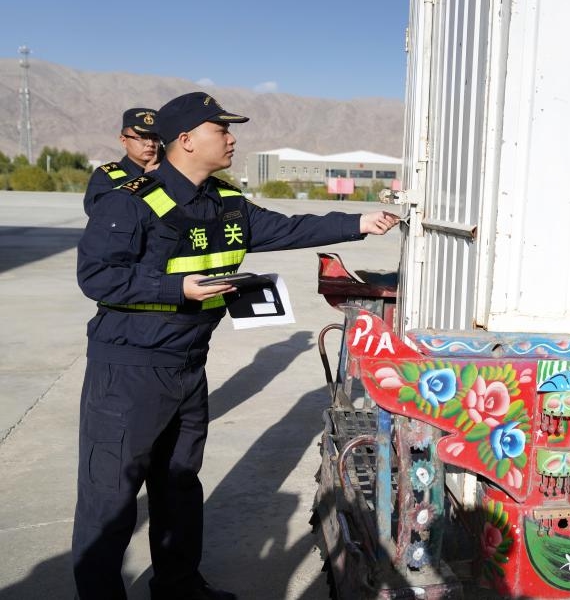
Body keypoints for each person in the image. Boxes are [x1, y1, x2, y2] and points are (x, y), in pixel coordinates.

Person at [73, 92, 400, 600]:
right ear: (185, 140)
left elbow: (289, 228)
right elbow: (98, 277)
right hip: (129, 368)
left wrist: (359, 223)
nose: (231, 138)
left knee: (179, 484)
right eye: (219, 130)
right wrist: (176, 289)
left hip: (187, 365)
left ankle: (179, 587)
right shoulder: (129, 199)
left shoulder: (225, 204)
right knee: (110, 496)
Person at [83, 107, 163, 214]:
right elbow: (99, 213)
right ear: (124, 140)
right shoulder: (106, 175)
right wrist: (145, 181)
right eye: (142, 137)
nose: (150, 144)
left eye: (155, 138)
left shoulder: (169, 173)